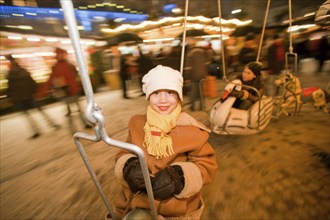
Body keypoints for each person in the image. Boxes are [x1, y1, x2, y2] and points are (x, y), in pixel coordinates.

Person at [112, 65, 218, 219]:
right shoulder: (136, 123)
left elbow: (207, 165)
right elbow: (124, 152)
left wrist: (180, 177)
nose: (163, 99)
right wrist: (129, 166)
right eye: (155, 93)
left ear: (179, 96)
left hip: (174, 208)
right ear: (148, 96)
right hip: (136, 201)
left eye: (170, 92)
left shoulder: (193, 130)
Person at [6, 55, 59, 139]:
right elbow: (32, 82)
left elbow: (10, 87)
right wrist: (35, 91)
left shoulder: (11, 74)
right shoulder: (23, 71)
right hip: (29, 95)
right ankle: (52, 124)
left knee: (28, 115)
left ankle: (36, 130)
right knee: (40, 111)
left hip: (20, 98)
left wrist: (10, 96)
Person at [44, 48, 90, 132]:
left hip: (70, 90)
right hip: (66, 91)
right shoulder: (62, 66)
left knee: (76, 110)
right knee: (70, 111)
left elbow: (74, 75)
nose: (62, 56)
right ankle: (75, 127)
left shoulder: (63, 65)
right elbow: (53, 78)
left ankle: (79, 126)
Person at [184, 37, 211, 111]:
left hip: (193, 75)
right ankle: (202, 106)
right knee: (201, 92)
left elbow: (188, 67)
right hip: (202, 74)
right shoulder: (202, 51)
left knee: (193, 92)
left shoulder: (189, 53)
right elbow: (207, 63)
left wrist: (187, 77)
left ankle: (192, 107)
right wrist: (206, 72)